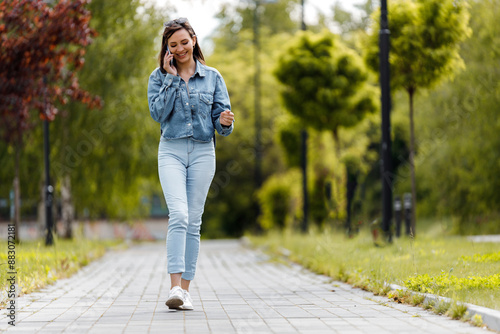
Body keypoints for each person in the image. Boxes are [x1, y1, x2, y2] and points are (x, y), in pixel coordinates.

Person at [147, 18, 234, 310]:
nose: (180, 48)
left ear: (194, 40)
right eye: (173, 45)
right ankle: (174, 287)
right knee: (179, 215)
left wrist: (224, 123)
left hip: (202, 152)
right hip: (170, 150)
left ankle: (185, 291)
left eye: (184, 42)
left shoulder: (213, 77)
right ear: (167, 49)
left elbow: (222, 119)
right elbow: (158, 114)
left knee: (194, 222)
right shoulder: (158, 77)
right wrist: (171, 78)